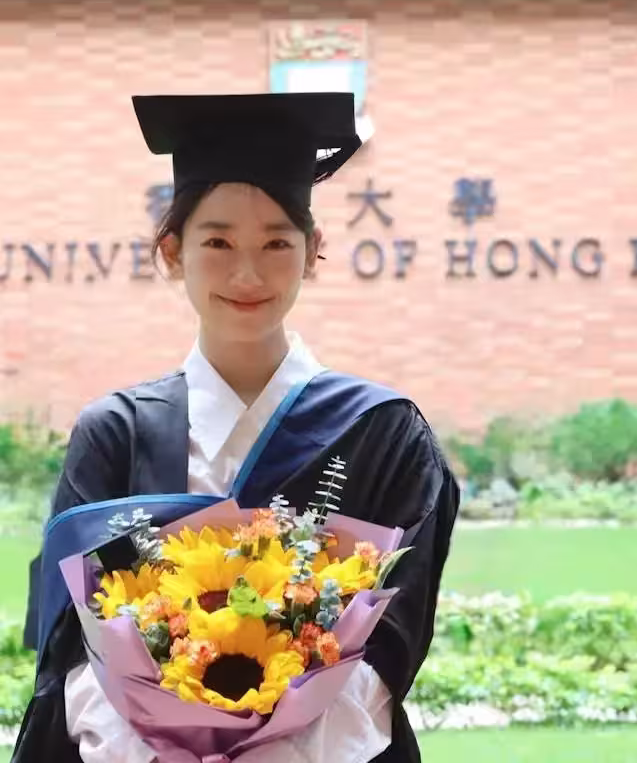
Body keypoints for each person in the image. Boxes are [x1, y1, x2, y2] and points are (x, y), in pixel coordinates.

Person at [12, 92, 459, 763]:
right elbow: (75, 651)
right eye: (217, 241)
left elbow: (386, 654)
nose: (247, 272)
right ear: (172, 252)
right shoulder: (115, 434)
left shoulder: (382, 434)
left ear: (313, 251)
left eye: (277, 242)